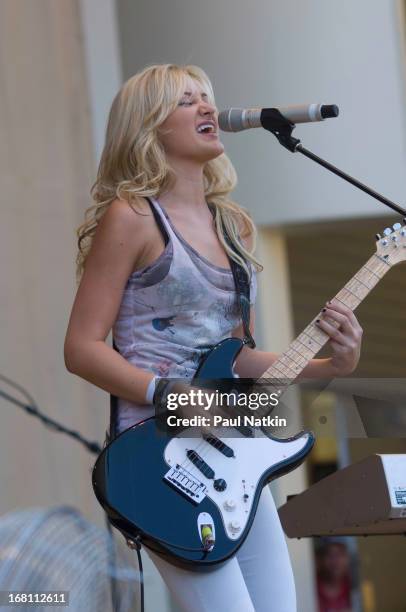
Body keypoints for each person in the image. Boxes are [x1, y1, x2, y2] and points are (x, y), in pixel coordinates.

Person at [64, 63, 363, 612]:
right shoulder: (131, 218)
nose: (207, 107)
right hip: (159, 455)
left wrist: (330, 367)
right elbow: (80, 348)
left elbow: (234, 357)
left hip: (232, 451)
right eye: (185, 101)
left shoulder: (234, 225)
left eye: (207, 97)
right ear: (149, 126)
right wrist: (168, 394)